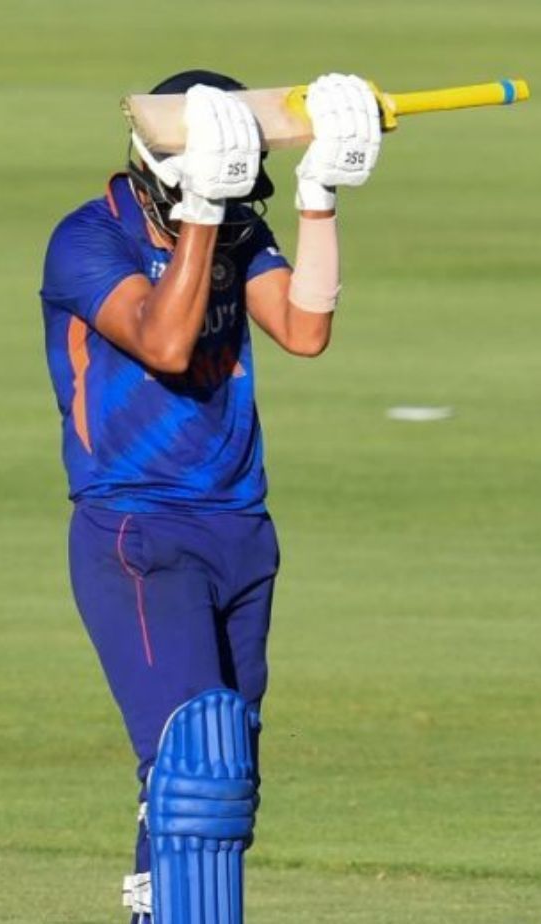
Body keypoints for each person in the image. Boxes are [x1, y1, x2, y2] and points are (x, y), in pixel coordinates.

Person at [38, 70, 382, 922]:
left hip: (239, 527)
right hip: (138, 531)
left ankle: (161, 908)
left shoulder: (234, 227)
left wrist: (318, 197)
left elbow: (304, 331)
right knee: (192, 766)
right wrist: (200, 212)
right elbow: (165, 338)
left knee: (226, 780)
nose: (234, 210)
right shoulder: (87, 240)